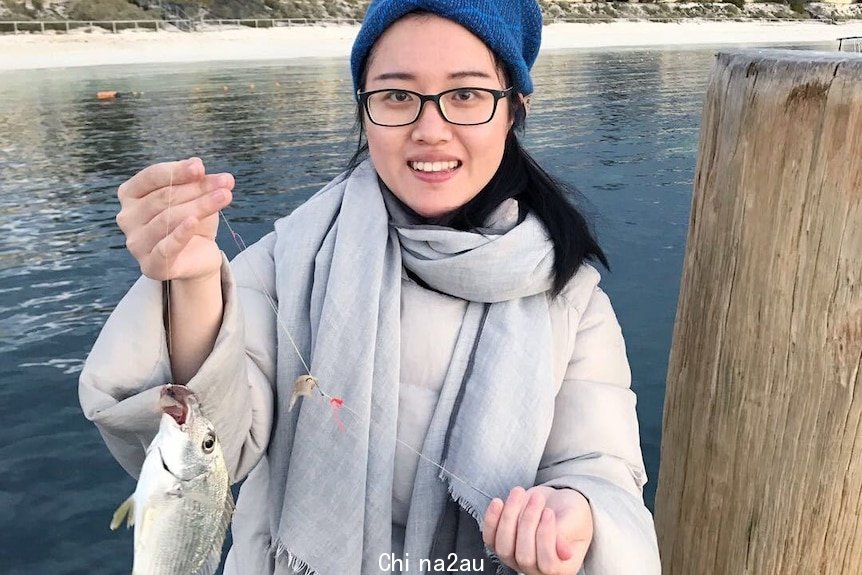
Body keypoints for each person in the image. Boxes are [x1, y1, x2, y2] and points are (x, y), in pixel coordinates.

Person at [79, 0, 661, 573]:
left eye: (465, 95)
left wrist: (577, 514)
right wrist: (192, 279)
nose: (430, 130)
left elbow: (601, 468)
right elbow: (214, 452)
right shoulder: (290, 259)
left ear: (514, 109)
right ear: (364, 110)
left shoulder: (572, 297)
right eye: (397, 96)